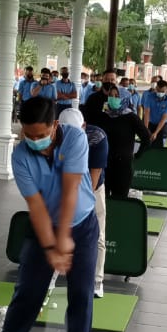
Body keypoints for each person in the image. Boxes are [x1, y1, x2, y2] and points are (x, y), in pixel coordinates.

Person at [0, 97, 98, 332]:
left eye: (41, 135)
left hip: (82, 225)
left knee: (82, 294)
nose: (34, 140)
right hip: (44, 225)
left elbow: (71, 191)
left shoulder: (74, 138)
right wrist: (51, 247)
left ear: (55, 125)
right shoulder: (20, 155)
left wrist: (64, 244)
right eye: (28, 134)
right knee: (27, 292)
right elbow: (34, 205)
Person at [58, 108, 109, 298]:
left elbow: (94, 176)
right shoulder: (56, 135)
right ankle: (48, 281)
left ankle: (97, 281)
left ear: (84, 127)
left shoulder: (97, 138)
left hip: (93, 188)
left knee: (98, 235)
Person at [83, 83, 150, 199]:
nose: (113, 98)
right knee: (102, 199)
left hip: (123, 166)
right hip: (104, 166)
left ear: (124, 98)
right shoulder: (102, 116)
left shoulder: (130, 117)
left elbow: (146, 137)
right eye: (110, 95)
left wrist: (137, 154)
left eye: (117, 96)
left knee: (120, 200)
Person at [143, 80, 167, 148]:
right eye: (158, 91)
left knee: (159, 145)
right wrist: (146, 129)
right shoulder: (149, 97)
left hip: (162, 125)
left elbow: (164, 118)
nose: (160, 93)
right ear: (156, 88)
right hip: (150, 123)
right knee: (147, 143)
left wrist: (156, 133)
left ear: (166, 90)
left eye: (162, 91)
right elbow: (146, 113)